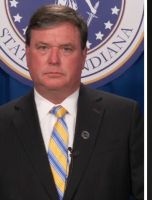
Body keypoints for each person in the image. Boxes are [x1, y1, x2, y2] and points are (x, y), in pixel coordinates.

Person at [0, 4, 143, 200]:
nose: (53, 60)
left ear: (84, 56)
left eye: (66, 49)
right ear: (27, 54)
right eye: (43, 48)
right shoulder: (2, 123)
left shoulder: (123, 117)